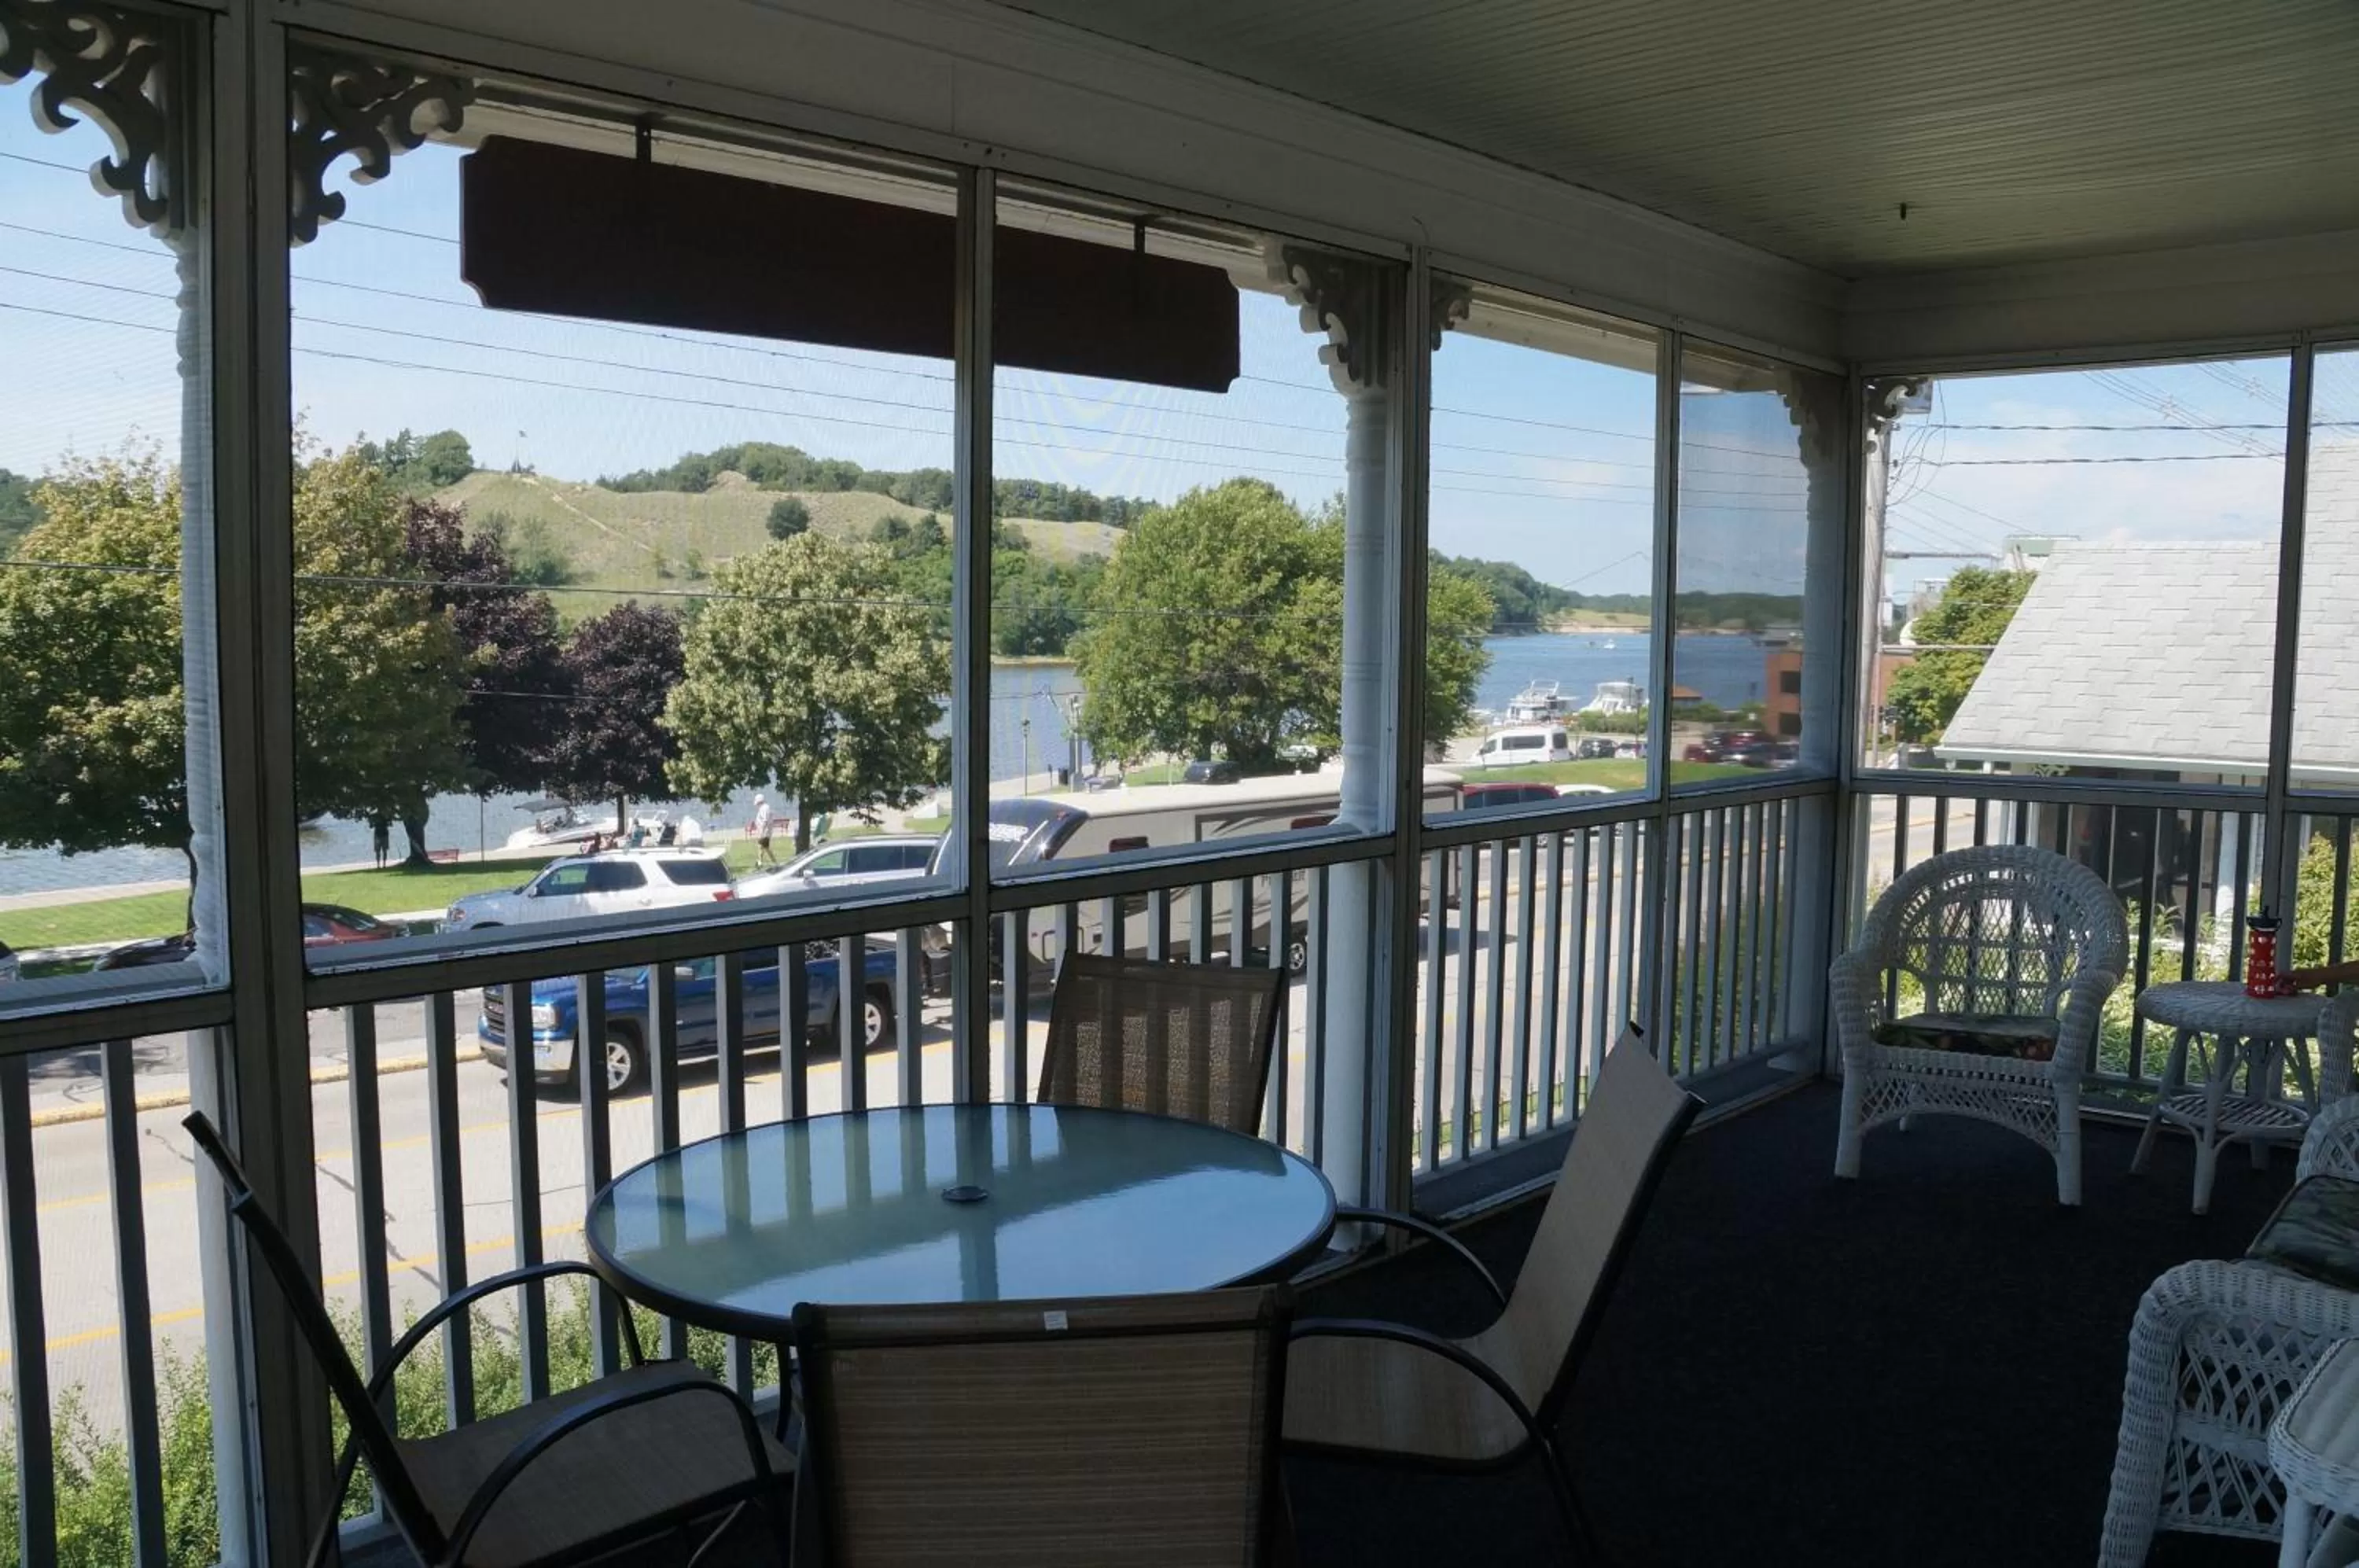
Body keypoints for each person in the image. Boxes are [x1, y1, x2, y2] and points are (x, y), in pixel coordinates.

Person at [750, 793, 775, 867]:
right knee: (763, 847)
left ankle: (761, 862)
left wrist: (762, 831)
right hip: (764, 832)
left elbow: (765, 820)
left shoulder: (765, 808)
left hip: (765, 832)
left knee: (763, 847)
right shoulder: (763, 808)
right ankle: (761, 862)